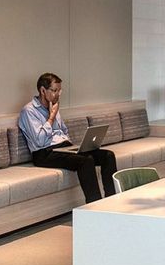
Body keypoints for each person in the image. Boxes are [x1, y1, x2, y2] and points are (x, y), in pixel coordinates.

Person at [18, 73, 117, 203]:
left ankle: (112, 201)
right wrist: (51, 117)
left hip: (64, 148)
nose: (58, 94)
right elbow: (39, 141)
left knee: (108, 156)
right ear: (43, 90)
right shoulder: (29, 111)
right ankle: (95, 205)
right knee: (86, 160)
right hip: (44, 153)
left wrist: (71, 147)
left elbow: (63, 131)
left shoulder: (53, 106)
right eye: (54, 90)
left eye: (59, 91)